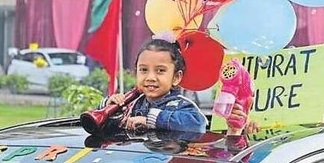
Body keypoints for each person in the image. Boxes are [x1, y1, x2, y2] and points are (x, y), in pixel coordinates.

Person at [103, 35, 254, 135]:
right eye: (143, 70)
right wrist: (108, 107)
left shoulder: (181, 105)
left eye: (160, 71)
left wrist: (151, 119)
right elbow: (106, 127)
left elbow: (197, 125)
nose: (150, 77)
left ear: (176, 77)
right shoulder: (133, 102)